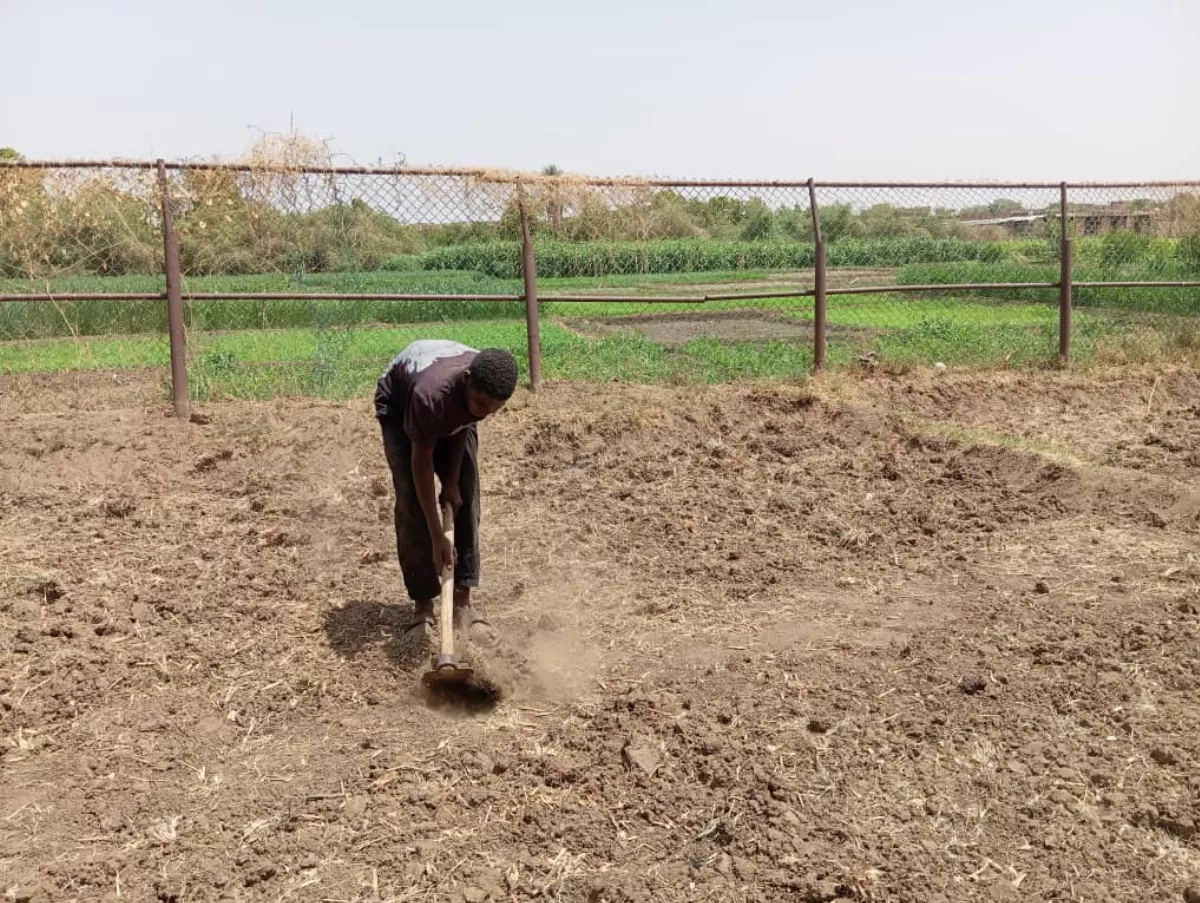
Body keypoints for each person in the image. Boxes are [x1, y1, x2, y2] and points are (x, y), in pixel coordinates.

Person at [374, 340, 519, 643]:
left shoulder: (485, 382)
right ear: (467, 381)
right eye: (483, 405)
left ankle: (463, 603)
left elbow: (463, 421)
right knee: (411, 500)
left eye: (496, 408)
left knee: (466, 493)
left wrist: (451, 482)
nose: (487, 413)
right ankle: (423, 605)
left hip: (449, 399)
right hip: (400, 404)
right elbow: (422, 465)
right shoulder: (430, 397)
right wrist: (437, 534)